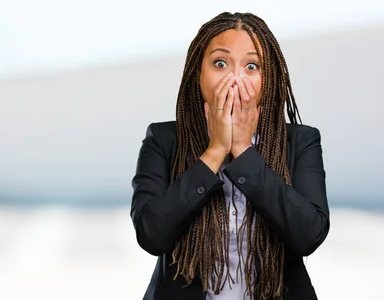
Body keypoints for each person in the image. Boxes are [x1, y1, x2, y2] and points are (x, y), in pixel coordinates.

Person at [130, 12, 330, 300]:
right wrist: (215, 152)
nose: (235, 78)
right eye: (220, 63)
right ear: (196, 73)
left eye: (251, 66)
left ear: (269, 79)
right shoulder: (163, 140)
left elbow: (308, 235)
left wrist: (243, 151)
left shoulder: (300, 141)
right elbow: (151, 235)